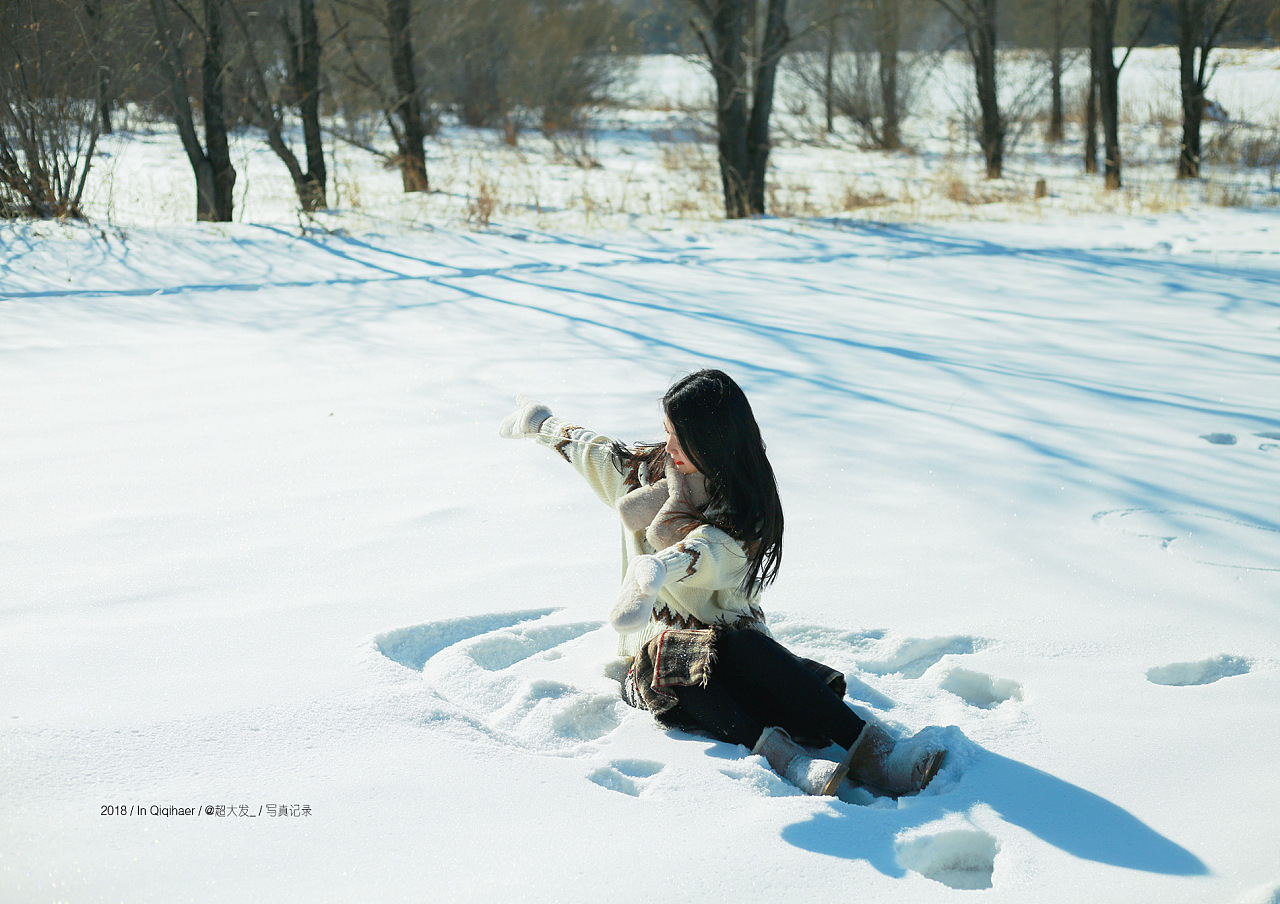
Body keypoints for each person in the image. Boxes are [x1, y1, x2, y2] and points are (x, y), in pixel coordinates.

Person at [499, 369, 943, 797]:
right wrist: (541, 423)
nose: (667, 444)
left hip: (737, 660)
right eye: (667, 431)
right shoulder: (652, 473)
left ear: (711, 440)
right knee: (677, 654)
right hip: (662, 675)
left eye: (679, 436)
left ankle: (877, 754)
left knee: (745, 646)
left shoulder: (741, 513)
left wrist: (659, 569)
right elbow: (598, 453)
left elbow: (710, 554)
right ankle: (788, 760)